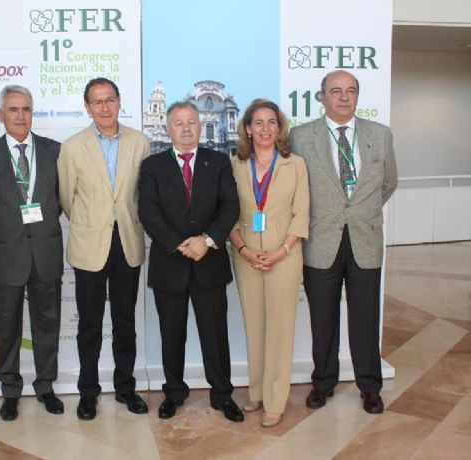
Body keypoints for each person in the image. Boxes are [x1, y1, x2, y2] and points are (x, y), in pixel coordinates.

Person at [289, 70, 398, 414]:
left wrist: (359, 212)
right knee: (322, 317)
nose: (344, 97)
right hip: (321, 238)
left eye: (351, 91)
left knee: (365, 317)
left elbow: (389, 183)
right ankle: (323, 382)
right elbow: (295, 188)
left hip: (365, 238)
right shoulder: (301, 136)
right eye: (335, 91)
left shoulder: (379, 135)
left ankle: (370, 386)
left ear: (358, 96)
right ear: (322, 97)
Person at [138, 101, 243, 422]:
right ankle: (173, 393)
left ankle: (222, 394)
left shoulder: (220, 162)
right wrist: (179, 244)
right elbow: (148, 212)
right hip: (170, 263)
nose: (186, 128)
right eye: (179, 123)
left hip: (209, 262)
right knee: (172, 335)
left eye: (192, 122)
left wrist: (207, 240)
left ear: (200, 127)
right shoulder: (153, 166)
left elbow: (230, 207)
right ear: (168, 129)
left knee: (215, 335)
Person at [57, 77, 150, 420]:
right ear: (87, 107)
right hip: (89, 244)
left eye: (110, 99)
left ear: (119, 101)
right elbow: (68, 197)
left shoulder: (140, 142)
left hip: (127, 241)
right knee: (90, 324)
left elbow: (142, 195)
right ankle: (88, 392)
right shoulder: (72, 147)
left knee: (125, 321)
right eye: (97, 102)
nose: (105, 107)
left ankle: (126, 387)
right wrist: (92, 222)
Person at [0, 85, 64, 421]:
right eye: (13, 110)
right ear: (0, 115)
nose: (20, 116)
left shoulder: (54, 151)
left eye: (26, 109)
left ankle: (45, 386)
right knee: (5, 327)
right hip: (5, 252)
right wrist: (7, 231)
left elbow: (61, 200)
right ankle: (10, 390)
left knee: (47, 323)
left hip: (46, 250)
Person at [228, 99, 309, 427]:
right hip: (245, 254)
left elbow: (302, 213)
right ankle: (257, 392)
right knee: (255, 326)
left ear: (279, 127)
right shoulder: (234, 164)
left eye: (271, 122)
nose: (264, 129)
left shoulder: (296, 164)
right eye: (258, 123)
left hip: (284, 255)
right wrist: (244, 249)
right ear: (247, 128)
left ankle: (276, 400)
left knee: (280, 327)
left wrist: (281, 251)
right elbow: (227, 214)